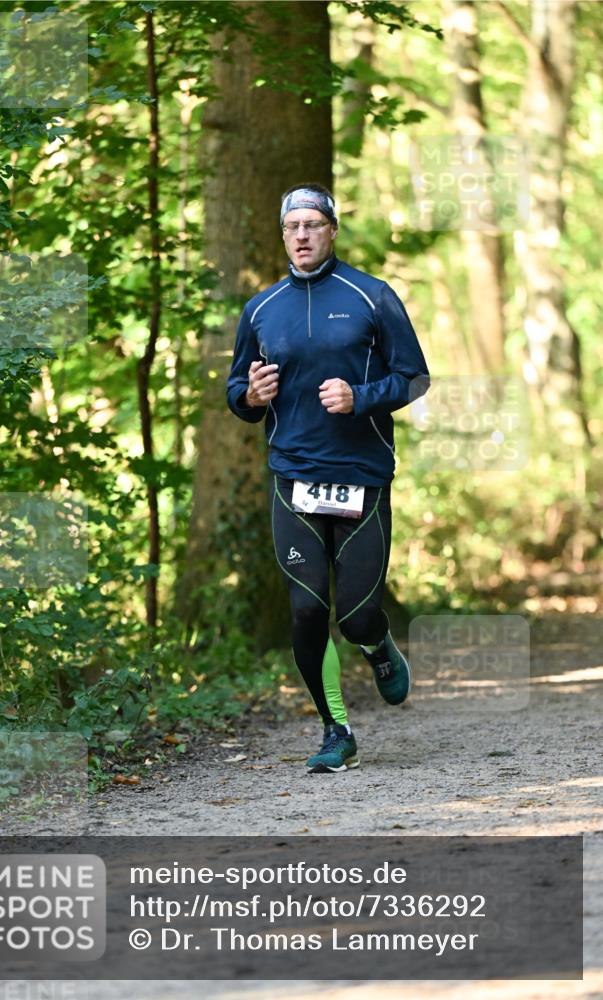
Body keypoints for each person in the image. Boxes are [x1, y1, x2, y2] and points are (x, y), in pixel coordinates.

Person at [226, 183, 430, 773]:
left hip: (362, 476)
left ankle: (377, 645)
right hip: (294, 480)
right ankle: (334, 729)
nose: (303, 235)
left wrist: (360, 396)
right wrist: (250, 395)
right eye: (293, 226)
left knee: (358, 613)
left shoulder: (372, 296)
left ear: (332, 230)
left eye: (314, 224)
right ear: (283, 233)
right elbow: (238, 392)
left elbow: (414, 379)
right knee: (307, 609)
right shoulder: (261, 310)